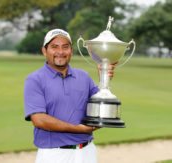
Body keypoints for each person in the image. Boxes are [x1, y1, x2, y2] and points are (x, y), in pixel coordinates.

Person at [24, 29, 116, 163]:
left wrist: (104, 79)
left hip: (87, 152)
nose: (60, 52)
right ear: (44, 51)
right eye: (54, 47)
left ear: (71, 51)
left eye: (65, 47)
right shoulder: (35, 79)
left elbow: (101, 110)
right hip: (53, 155)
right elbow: (39, 119)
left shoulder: (83, 77)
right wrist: (79, 129)